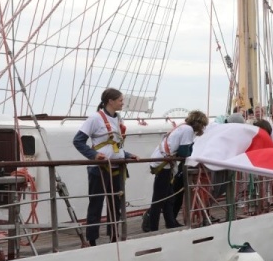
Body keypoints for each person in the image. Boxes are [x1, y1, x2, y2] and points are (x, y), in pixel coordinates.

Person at [72, 88, 137, 247]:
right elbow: (78, 141)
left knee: (115, 204)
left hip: (117, 167)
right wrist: (93, 155)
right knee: (96, 203)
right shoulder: (95, 118)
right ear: (111, 101)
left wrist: (127, 155)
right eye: (121, 100)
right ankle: (92, 240)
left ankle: (114, 236)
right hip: (100, 169)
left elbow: (114, 145)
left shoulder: (118, 118)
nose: (123, 103)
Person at [143, 110, 207, 232]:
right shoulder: (188, 130)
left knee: (168, 197)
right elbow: (184, 152)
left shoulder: (182, 127)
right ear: (199, 123)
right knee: (159, 198)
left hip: (163, 163)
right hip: (164, 165)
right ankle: (153, 227)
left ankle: (170, 223)